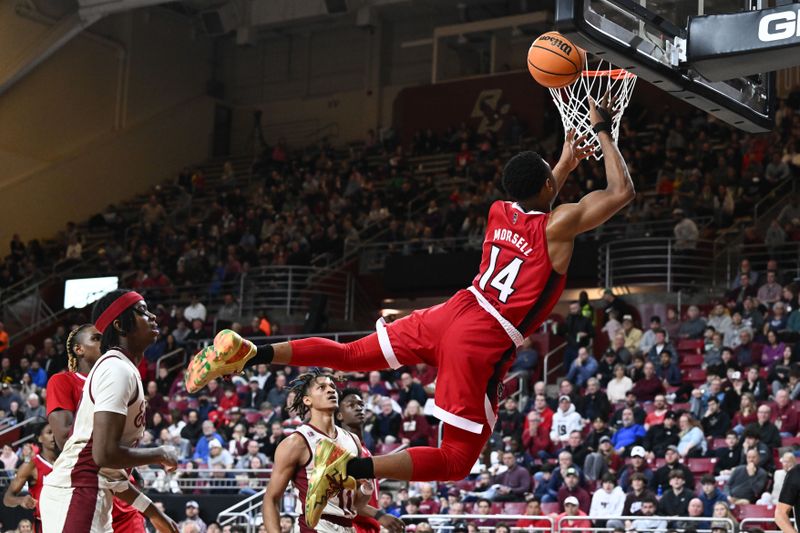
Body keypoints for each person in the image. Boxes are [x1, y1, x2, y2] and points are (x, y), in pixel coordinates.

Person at [186, 97, 635, 509]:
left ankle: (252, 352)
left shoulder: (501, 210)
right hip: (484, 336)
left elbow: (537, 195)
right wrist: (602, 129)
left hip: (453, 311)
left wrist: (564, 162)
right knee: (456, 461)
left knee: (347, 355)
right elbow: (621, 193)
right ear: (544, 185)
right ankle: (347, 468)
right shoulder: (558, 227)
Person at [39, 291, 178, 533]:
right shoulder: (116, 369)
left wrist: (155, 514)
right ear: (119, 325)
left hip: (91, 494)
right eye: (142, 311)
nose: (153, 316)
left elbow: (109, 470)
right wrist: (160, 452)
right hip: (78, 492)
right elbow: (104, 455)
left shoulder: (121, 367)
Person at [261, 371, 400, 531]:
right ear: (307, 400)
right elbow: (271, 499)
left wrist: (365, 489)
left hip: (347, 526)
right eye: (322, 387)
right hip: (315, 526)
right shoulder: (297, 442)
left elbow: (356, 503)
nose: (330, 390)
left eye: (332, 386)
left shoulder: (352, 440)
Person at [336, 387, 405, 533]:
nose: (359, 408)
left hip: (368, 526)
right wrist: (380, 515)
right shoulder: (341, 449)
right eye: (351, 405)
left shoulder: (364, 448)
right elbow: (346, 499)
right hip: (351, 526)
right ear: (339, 415)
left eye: (361, 404)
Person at [3, 423, 57, 532]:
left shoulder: (67, 461)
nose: (54, 436)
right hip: (45, 524)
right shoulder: (31, 466)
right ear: (40, 438)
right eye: (49, 433)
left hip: (69, 520)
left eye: (56, 432)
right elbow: (7, 498)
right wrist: (21, 500)